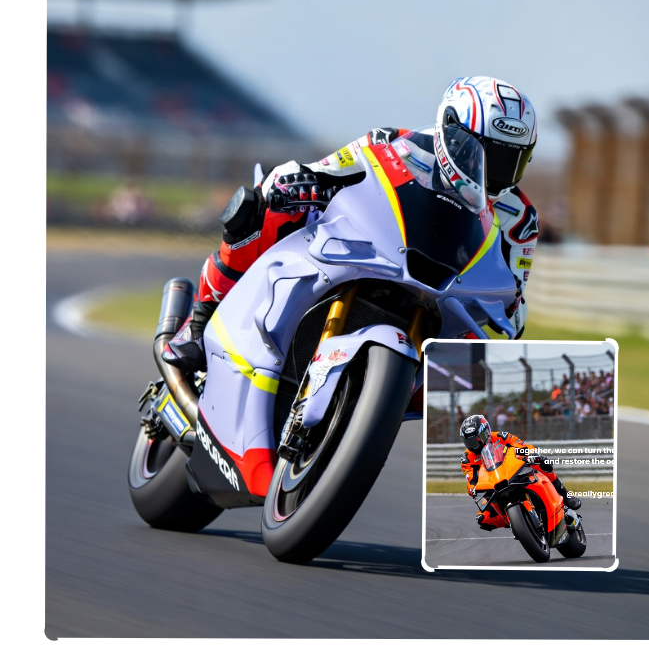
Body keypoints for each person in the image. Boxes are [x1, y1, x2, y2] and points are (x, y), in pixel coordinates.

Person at [162, 75, 540, 373]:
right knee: (263, 203)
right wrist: (298, 184)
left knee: (476, 363)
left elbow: (514, 299)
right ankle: (201, 320)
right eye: (486, 155)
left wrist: (508, 309)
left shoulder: (521, 221)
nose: (495, 172)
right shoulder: (394, 143)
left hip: (442, 298)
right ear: (451, 133)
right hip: (371, 250)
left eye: (512, 161)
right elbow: (327, 170)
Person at [459, 414, 581, 531]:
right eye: (469, 442)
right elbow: (471, 479)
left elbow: (521, 446)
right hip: (494, 485)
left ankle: (565, 495)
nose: (475, 445)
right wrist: (473, 489)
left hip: (515, 471)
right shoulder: (467, 458)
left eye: (477, 439)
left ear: (486, 432)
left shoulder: (501, 437)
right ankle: (517, 522)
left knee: (541, 464)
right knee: (483, 518)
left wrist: (532, 454)